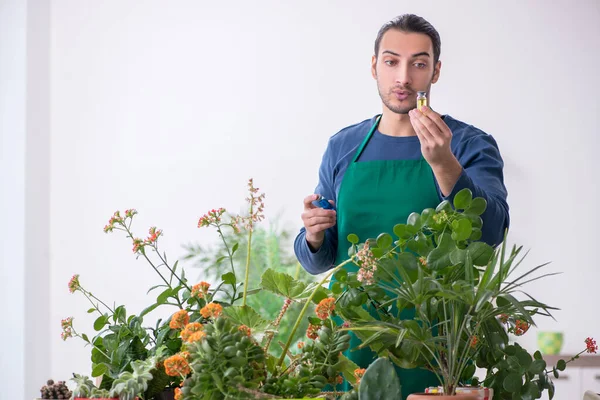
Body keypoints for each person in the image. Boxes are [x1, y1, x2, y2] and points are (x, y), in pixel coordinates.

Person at [293, 13, 510, 399]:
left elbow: (492, 233)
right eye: (392, 61)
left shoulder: (468, 143)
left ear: (436, 71)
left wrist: (444, 163)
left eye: (419, 63)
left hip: (435, 345)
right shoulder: (343, 147)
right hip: (352, 338)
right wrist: (312, 235)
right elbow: (320, 259)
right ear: (374, 66)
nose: (404, 77)